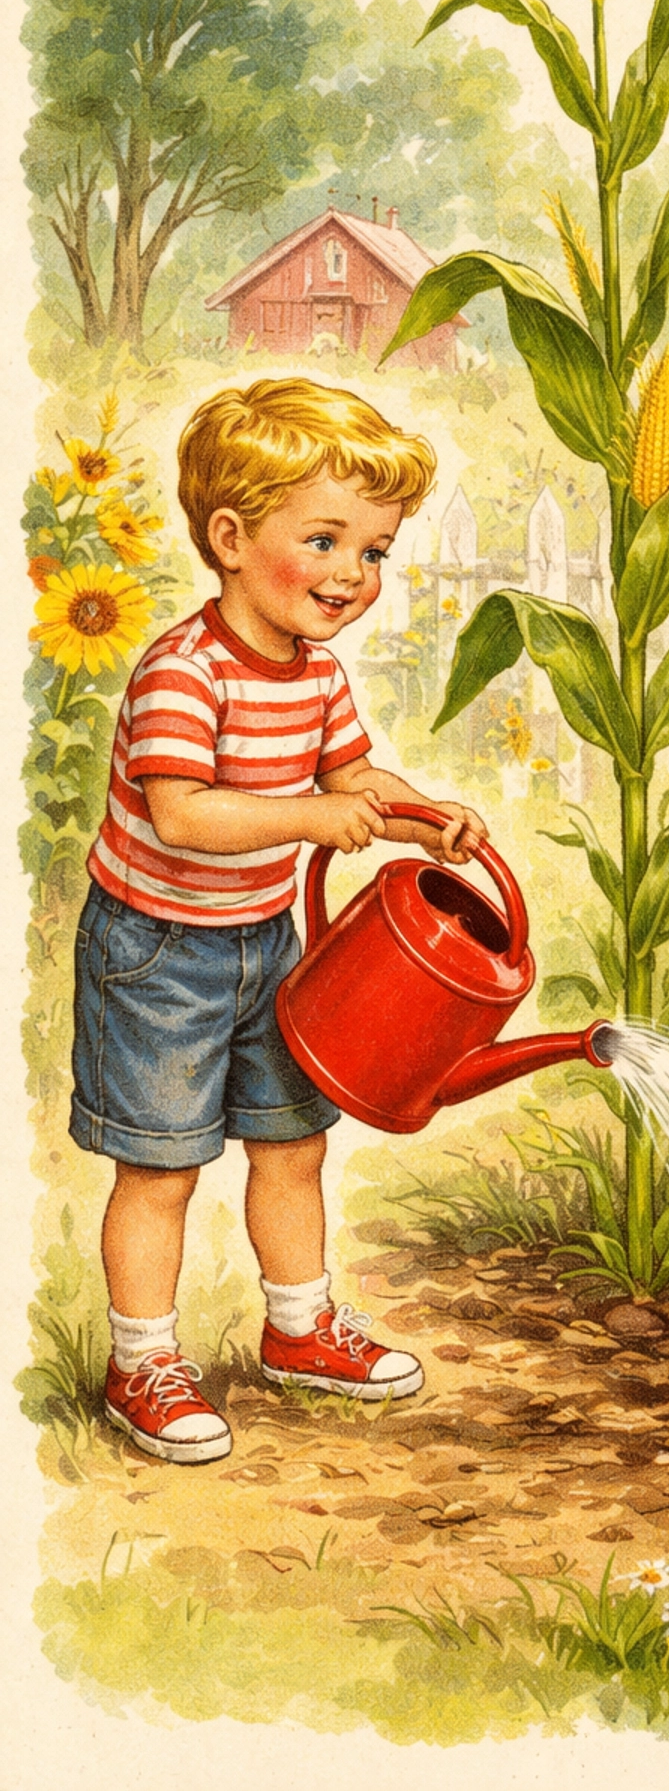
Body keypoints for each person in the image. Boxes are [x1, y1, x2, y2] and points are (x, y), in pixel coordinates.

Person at [71, 378, 488, 1465]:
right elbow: (184, 812)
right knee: (161, 1167)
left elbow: (353, 773)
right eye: (326, 540)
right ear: (228, 537)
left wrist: (415, 817)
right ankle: (142, 1359)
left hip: (266, 944)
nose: (354, 575)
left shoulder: (316, 674)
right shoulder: (183, 672)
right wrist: (317, 815)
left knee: (292, 1143)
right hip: (157, 951)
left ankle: (300, 1328)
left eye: (376, 553)